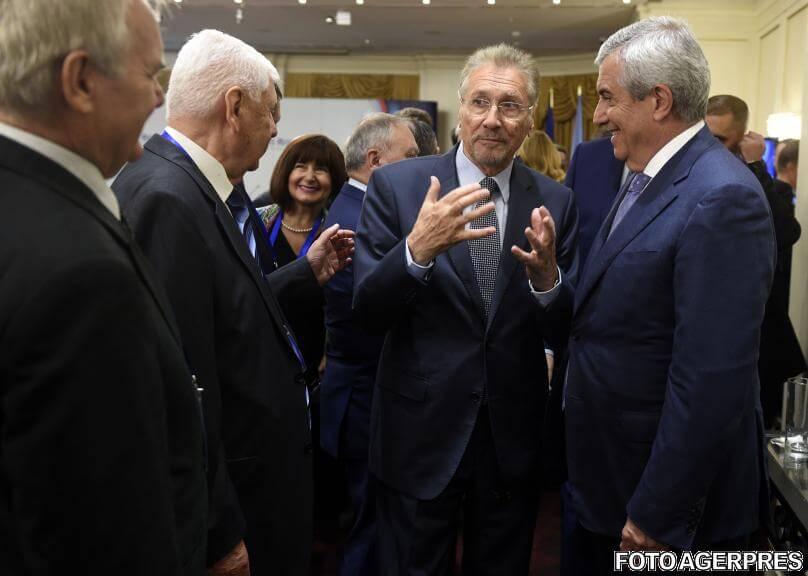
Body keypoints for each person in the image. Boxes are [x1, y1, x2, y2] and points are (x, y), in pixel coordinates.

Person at [113, 29, 353, 576]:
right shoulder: (168, 198)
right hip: (235, 504)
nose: (274, 130)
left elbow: (225, 310)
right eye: (269, 113)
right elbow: (180, 385)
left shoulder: (195, 187)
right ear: (235, 106)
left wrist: (303, 274)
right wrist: (218, 531)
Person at [354, 44, 578, 575]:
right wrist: (417, 250)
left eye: (510, 105)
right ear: (461, 109)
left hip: (510, 441)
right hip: (419, 435)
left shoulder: (555, 201)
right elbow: (367, 311)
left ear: (530, 118)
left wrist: (548, 282)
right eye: (480, 102)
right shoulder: (397, 187)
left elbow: (567, 326)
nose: (493, 119)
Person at [0, 1, 207, 574]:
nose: (160, 97)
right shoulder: (80, 275)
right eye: (150, 73)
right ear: (81, 81)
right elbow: (103, 534)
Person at [565, 17, 775, 574]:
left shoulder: (721, 197)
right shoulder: (646, 175)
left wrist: (657, 511)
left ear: (658, 101)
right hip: (610, 479)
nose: (599, 114)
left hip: (665, 515)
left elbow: (711, 381)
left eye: (607, 97)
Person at [321, 113, 419, 576]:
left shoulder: (362, 207)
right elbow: (365, 315)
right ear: (376, 160)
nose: (420, 167)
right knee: (371, 524)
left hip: (366, 393)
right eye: (411, 157)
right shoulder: (356, 218)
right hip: (365, 394)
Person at [706, 97, 806, 428]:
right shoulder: (692, 180)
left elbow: (787, 231)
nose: (710, 147)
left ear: (741, 140)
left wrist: (755, 166)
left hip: (757, 335)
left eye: (719, 139)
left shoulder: (769, 186)